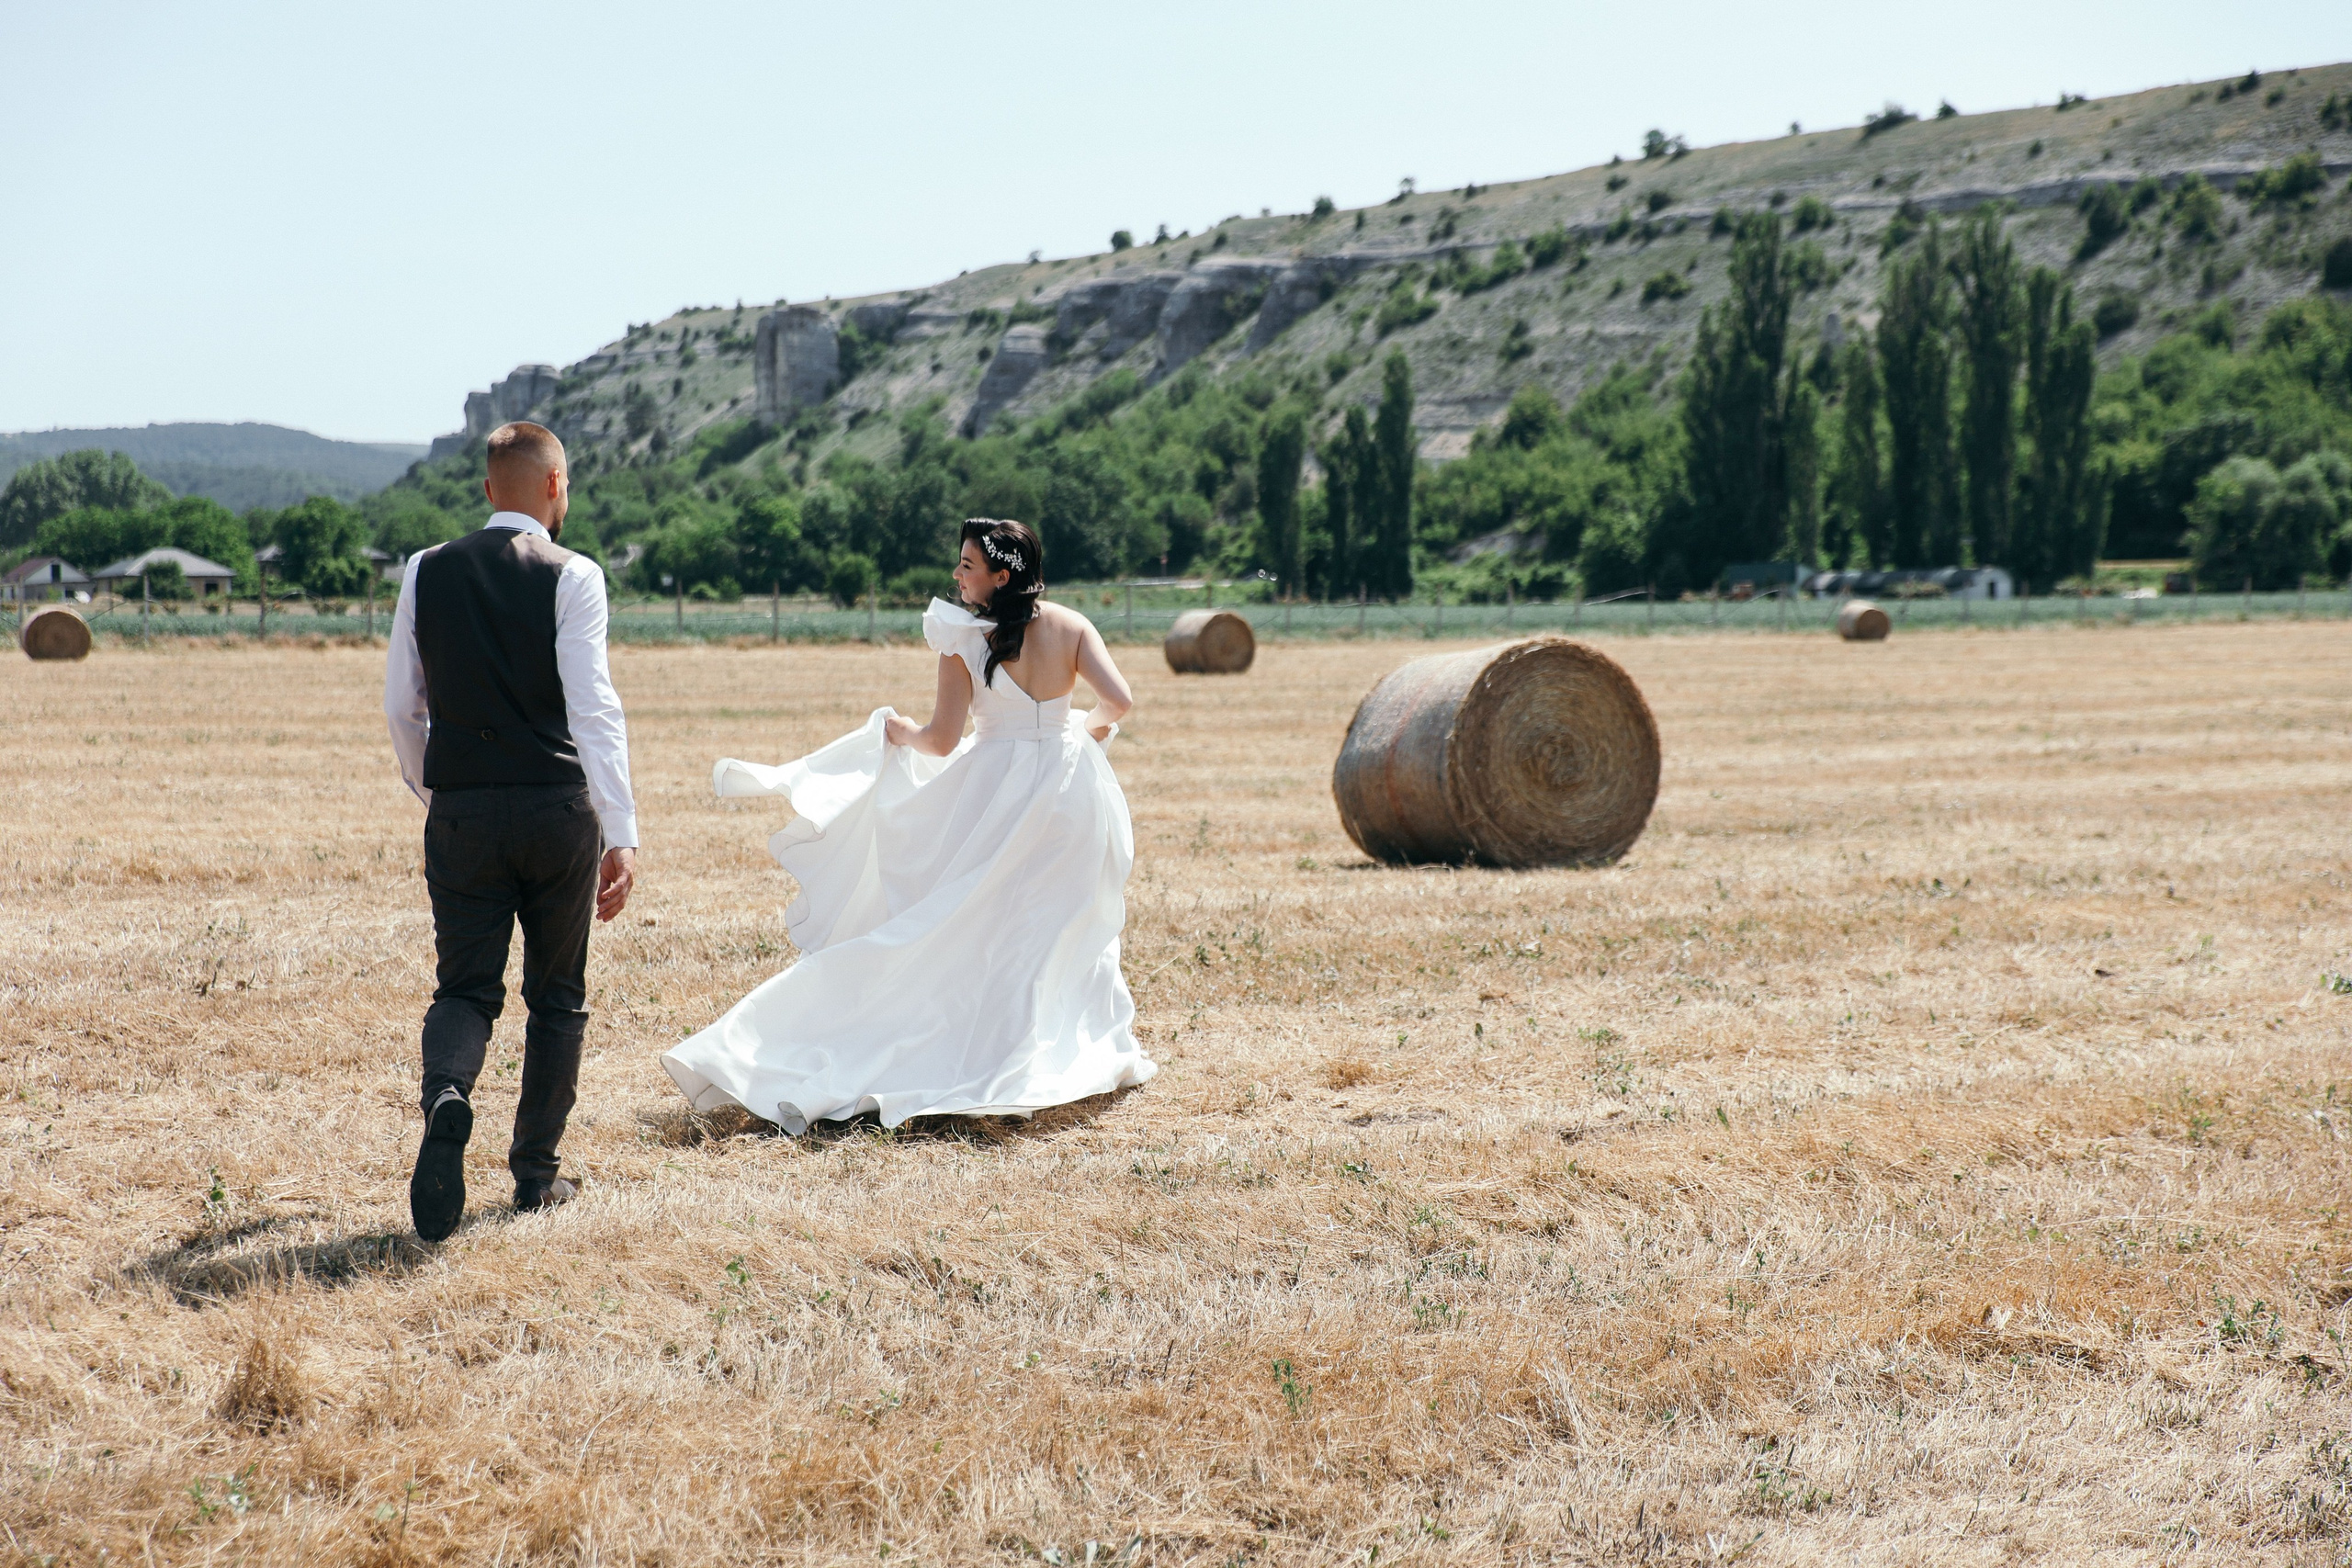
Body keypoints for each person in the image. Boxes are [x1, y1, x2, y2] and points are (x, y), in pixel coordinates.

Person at [662, 518, 1152, 1133]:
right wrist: (1086, 729)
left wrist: (899, 732)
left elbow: (943, 741)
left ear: (1002, 575)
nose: (957, 575)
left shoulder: (960, 639)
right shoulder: (1072, 625)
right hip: (1068, 795)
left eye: (968, 565)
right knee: (1052, 926)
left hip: (996, 796)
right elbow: (1121, 700)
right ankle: (1038, 1051)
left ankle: (983, 1051)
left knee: (970, 923)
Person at [383, 421, 638, 1242]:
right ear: (557, 488)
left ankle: (450, 1093)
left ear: (490, 490)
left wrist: (439, 790)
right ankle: (535, 1175)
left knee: (463, 989)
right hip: (557, 810)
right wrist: (621, 828)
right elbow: (593, 708)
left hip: (462, 809)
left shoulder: (425, 569)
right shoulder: (576, 576)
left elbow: (401, 705)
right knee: (556, 997)